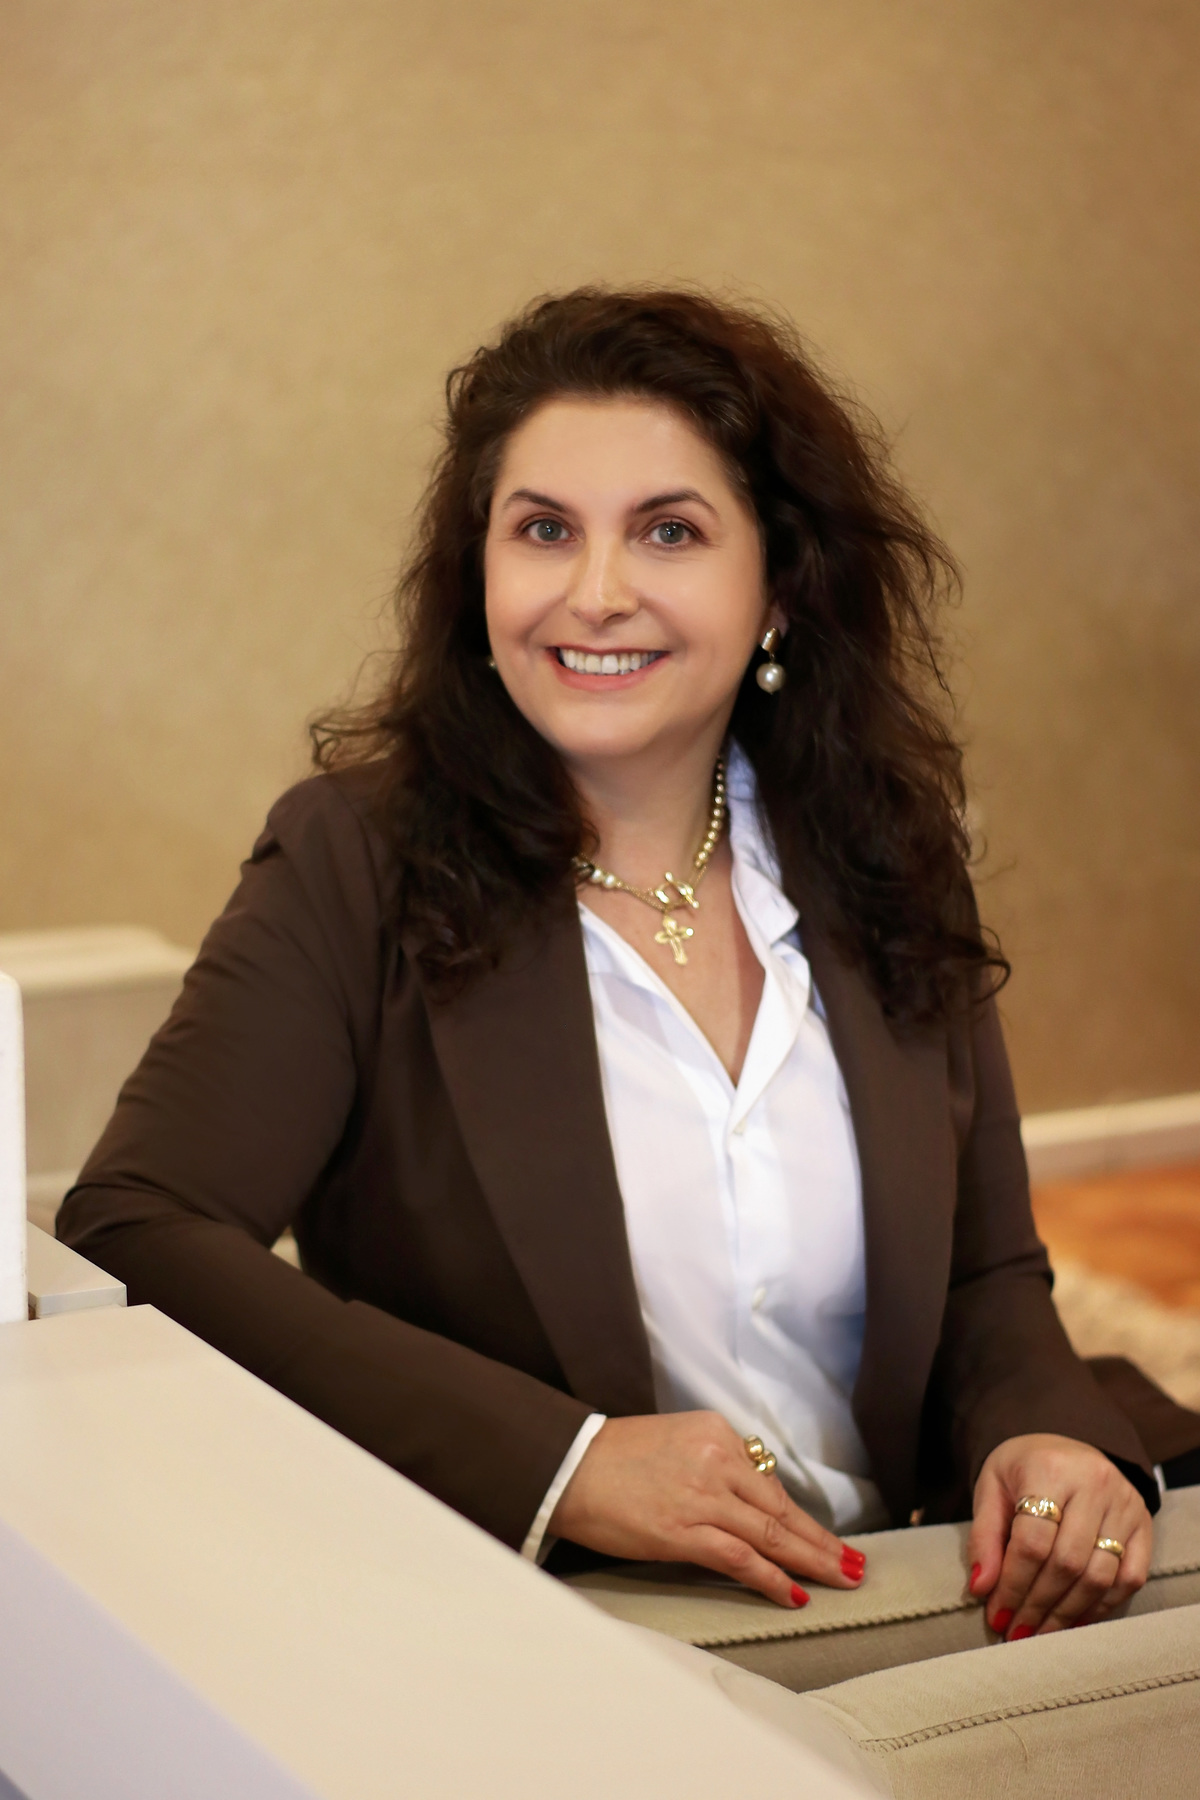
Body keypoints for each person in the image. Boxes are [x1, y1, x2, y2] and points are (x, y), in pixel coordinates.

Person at [60, 287, 1200, 1641]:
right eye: (544, 529)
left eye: (669, 531)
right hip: (553, 1631)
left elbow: (984, 1272)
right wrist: (568, 1462)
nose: (595, 594)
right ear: (478, 578)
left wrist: (1044, 1429)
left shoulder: (886, 845)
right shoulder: (353, 859)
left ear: (780, 585)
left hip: (895, 1598)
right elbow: (140, 1225)